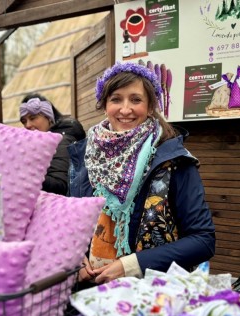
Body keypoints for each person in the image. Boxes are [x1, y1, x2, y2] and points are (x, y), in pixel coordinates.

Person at [70, 62, 216, 284]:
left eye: (136, 100)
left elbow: (203, 240)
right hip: (92, 292)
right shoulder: (85, 156)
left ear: (150, 107)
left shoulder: (174, 160)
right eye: (116, 99)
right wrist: (76, 259)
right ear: (105, 105)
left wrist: (131, 265)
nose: (125, 109)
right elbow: (70, 225)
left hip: (153, 295)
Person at [20, 94, 85, 195]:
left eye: (33, 118)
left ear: (49, 117)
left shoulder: (62, 140)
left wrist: (23, 175)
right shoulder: (40, 143)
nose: (27, 125)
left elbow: (60, 186)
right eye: (24, 121)